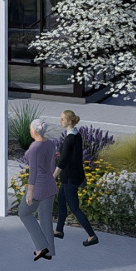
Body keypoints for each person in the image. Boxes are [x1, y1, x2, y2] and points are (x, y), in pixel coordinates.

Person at [53, 110, 99, 246]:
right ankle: (59, 230)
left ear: (70, 121)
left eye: (62, 119)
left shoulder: (70, 138)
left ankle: (92, 235)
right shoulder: (75, 135)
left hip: (71, 178)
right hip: (68, 176)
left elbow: (64, 161)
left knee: (74, 208)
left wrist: (53, 176)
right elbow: (70, 153)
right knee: (61, 201)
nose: (60, 121)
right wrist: (60, 153)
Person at [19, 118, 57, 261]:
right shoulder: (50, 143)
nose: (30, 131)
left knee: (24, 213)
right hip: (50, 184)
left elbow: (33, 171)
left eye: (30, 129)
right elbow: (52, 164)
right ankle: (50, 251)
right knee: (45, 217)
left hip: (39, 187)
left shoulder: (35, 148)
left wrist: (30, 192)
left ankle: (42, 247)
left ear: (34, 131)